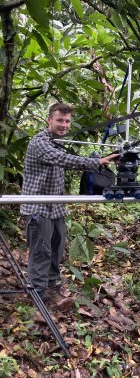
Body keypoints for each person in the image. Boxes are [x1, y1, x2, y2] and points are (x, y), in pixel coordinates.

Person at [21, 102, 119, 301]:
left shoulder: (55, 141)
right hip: (38, 207)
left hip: (56, 207)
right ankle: (37, 296)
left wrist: (100, 157)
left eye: (67, 121)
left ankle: (51, 287)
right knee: (41, 252)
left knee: (56, 251)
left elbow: (66, 157)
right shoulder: (40, 142)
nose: (64, 125)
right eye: (59, 120)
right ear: (49, 120)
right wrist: (96, 162)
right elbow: (63, 160)